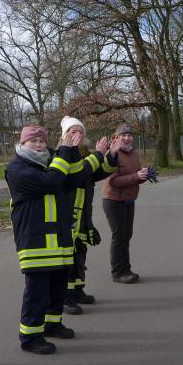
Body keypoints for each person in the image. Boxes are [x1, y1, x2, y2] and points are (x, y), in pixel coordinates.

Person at [6, 125, 84, 354]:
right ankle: (30, 337)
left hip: (58, 237)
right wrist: (63, 153)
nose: (40, 145)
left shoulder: (53, 162)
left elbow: (73, 180)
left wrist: (73, 152)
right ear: (22, 144)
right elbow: (52, 181)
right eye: (34, 141)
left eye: (42, 141)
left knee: (58, 287)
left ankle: (52, 324)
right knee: (37, 292)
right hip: (35, 239)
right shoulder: (17, 168)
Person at [59, 116, 118, 315]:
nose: (78, 135)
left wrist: (111, 155)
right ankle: (66, 297)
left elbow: (98, 173)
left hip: (83, 216)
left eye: (80, 132)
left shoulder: (85, 154)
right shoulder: (62, 154)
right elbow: (82, 171)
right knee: (67, 259)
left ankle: (78, 290)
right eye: (73, 131)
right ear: (65, 135)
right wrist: (99, 154)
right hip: (67, 217)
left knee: (80, 255)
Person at [102, 124, 149, 284]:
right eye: (123, 135)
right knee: (119, 235)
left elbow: (136, 176)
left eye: (129, 135)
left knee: (127, 235)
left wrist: (144, 175)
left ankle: (126, 269)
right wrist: (136, 177)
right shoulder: (112, 154)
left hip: (129, 199)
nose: (127, 138)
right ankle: (118, 273)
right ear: (116, 137)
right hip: (113, 200)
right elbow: (113, 181)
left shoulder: (133, 153)